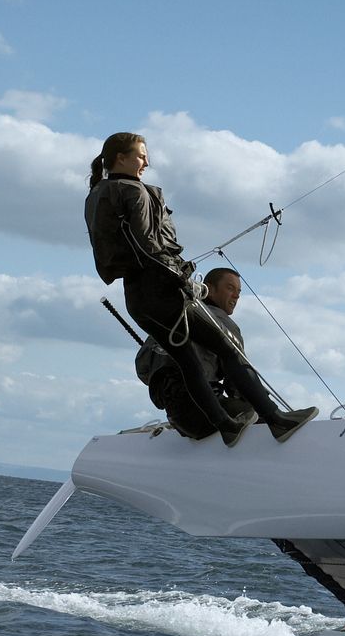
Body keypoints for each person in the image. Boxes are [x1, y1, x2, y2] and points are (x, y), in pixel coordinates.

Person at [85, 132, 317, 445]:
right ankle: (276, 420)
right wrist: (183, 280)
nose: (146, 162)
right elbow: (147, 247)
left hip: (137, 298)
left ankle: (226, 426)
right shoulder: (133, 192)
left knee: (188, 362)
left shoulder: (97, 193)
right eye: (140, 156)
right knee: (228, 350)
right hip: (161, 292)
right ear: (121, 158)